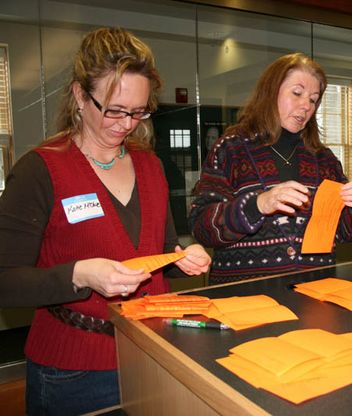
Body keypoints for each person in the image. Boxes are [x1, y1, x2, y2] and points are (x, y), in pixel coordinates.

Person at [0, 27, 211, 415]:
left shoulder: (150, 167)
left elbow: (160, 253)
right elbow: (6, 281)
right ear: (81, 96)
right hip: (73, 374)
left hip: (153, 352)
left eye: (138, 111)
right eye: (114, 110)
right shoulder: (39, 170)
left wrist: (182, 259)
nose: (126, 123)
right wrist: (79, 274)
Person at [189, 52, 352, 283]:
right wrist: (258, 204)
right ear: (270, 92)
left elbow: (345, 232)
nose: (306, 106)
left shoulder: (323, 159)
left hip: (316, 293)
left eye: (313, 99)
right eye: (297, 93)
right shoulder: (231, 149)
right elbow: (202, 226)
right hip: (246, 298)